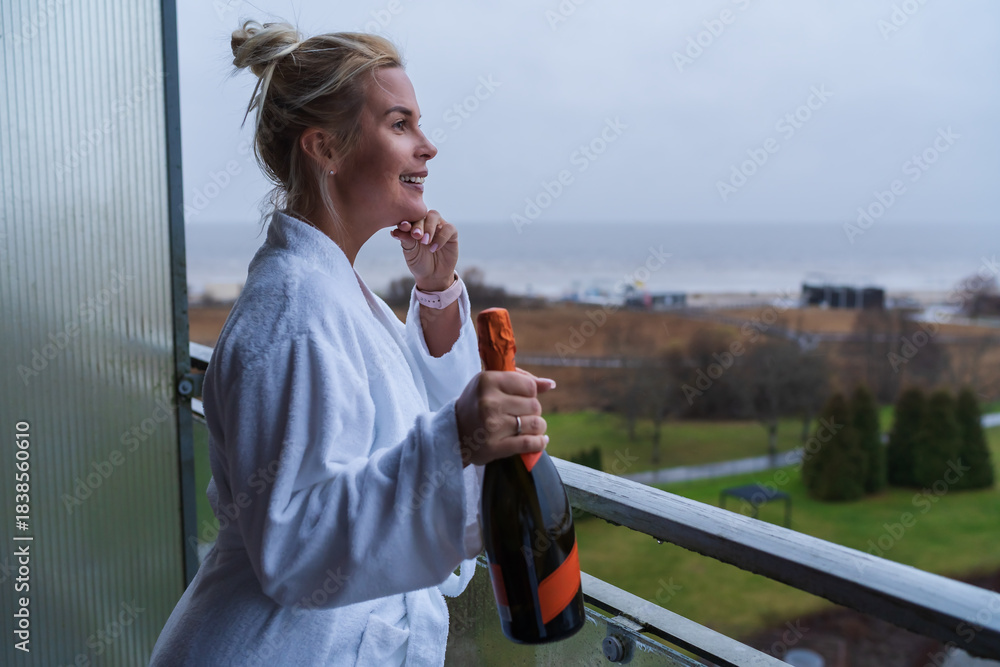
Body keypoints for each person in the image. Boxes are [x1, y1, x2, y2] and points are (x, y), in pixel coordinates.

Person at [150, 19, 555, 667]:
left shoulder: (330, 287)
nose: (428, 146)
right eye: (400, 124)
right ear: (326, 148)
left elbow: (397, 429)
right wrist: (461, 437)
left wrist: (437, 295)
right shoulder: (293, 309)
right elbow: (293, 548)